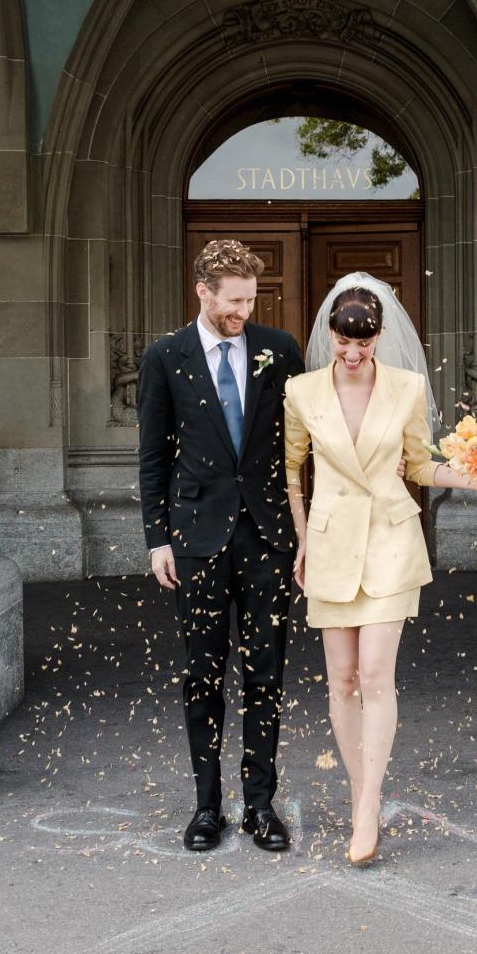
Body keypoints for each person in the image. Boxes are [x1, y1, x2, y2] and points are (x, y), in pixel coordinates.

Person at [283, 277, 477, 864]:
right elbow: (292, 473)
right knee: (342, 683)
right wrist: (301, 541)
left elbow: (422, 468)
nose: (353, 355)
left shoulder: (405, 388)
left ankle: (366, 807)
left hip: (390, 543)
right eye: (343, 343)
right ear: (330, 333)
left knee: (376, 676)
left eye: (365, 344)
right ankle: (362, 789)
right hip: (329, 549)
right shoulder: (301, 392)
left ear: (379, 337)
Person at [138, 239, 304, 852]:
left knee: (266, 675)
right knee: (202, 677)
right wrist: (159, 539)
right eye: (232, 300)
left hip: (266, 539)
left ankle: (261, 806)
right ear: (202, 293)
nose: (242, 310)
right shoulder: (165, 357)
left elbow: (306, 439)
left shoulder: (278, 351)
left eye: (249, 300)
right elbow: (153, 456)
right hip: (197, 543)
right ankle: (207, 807)